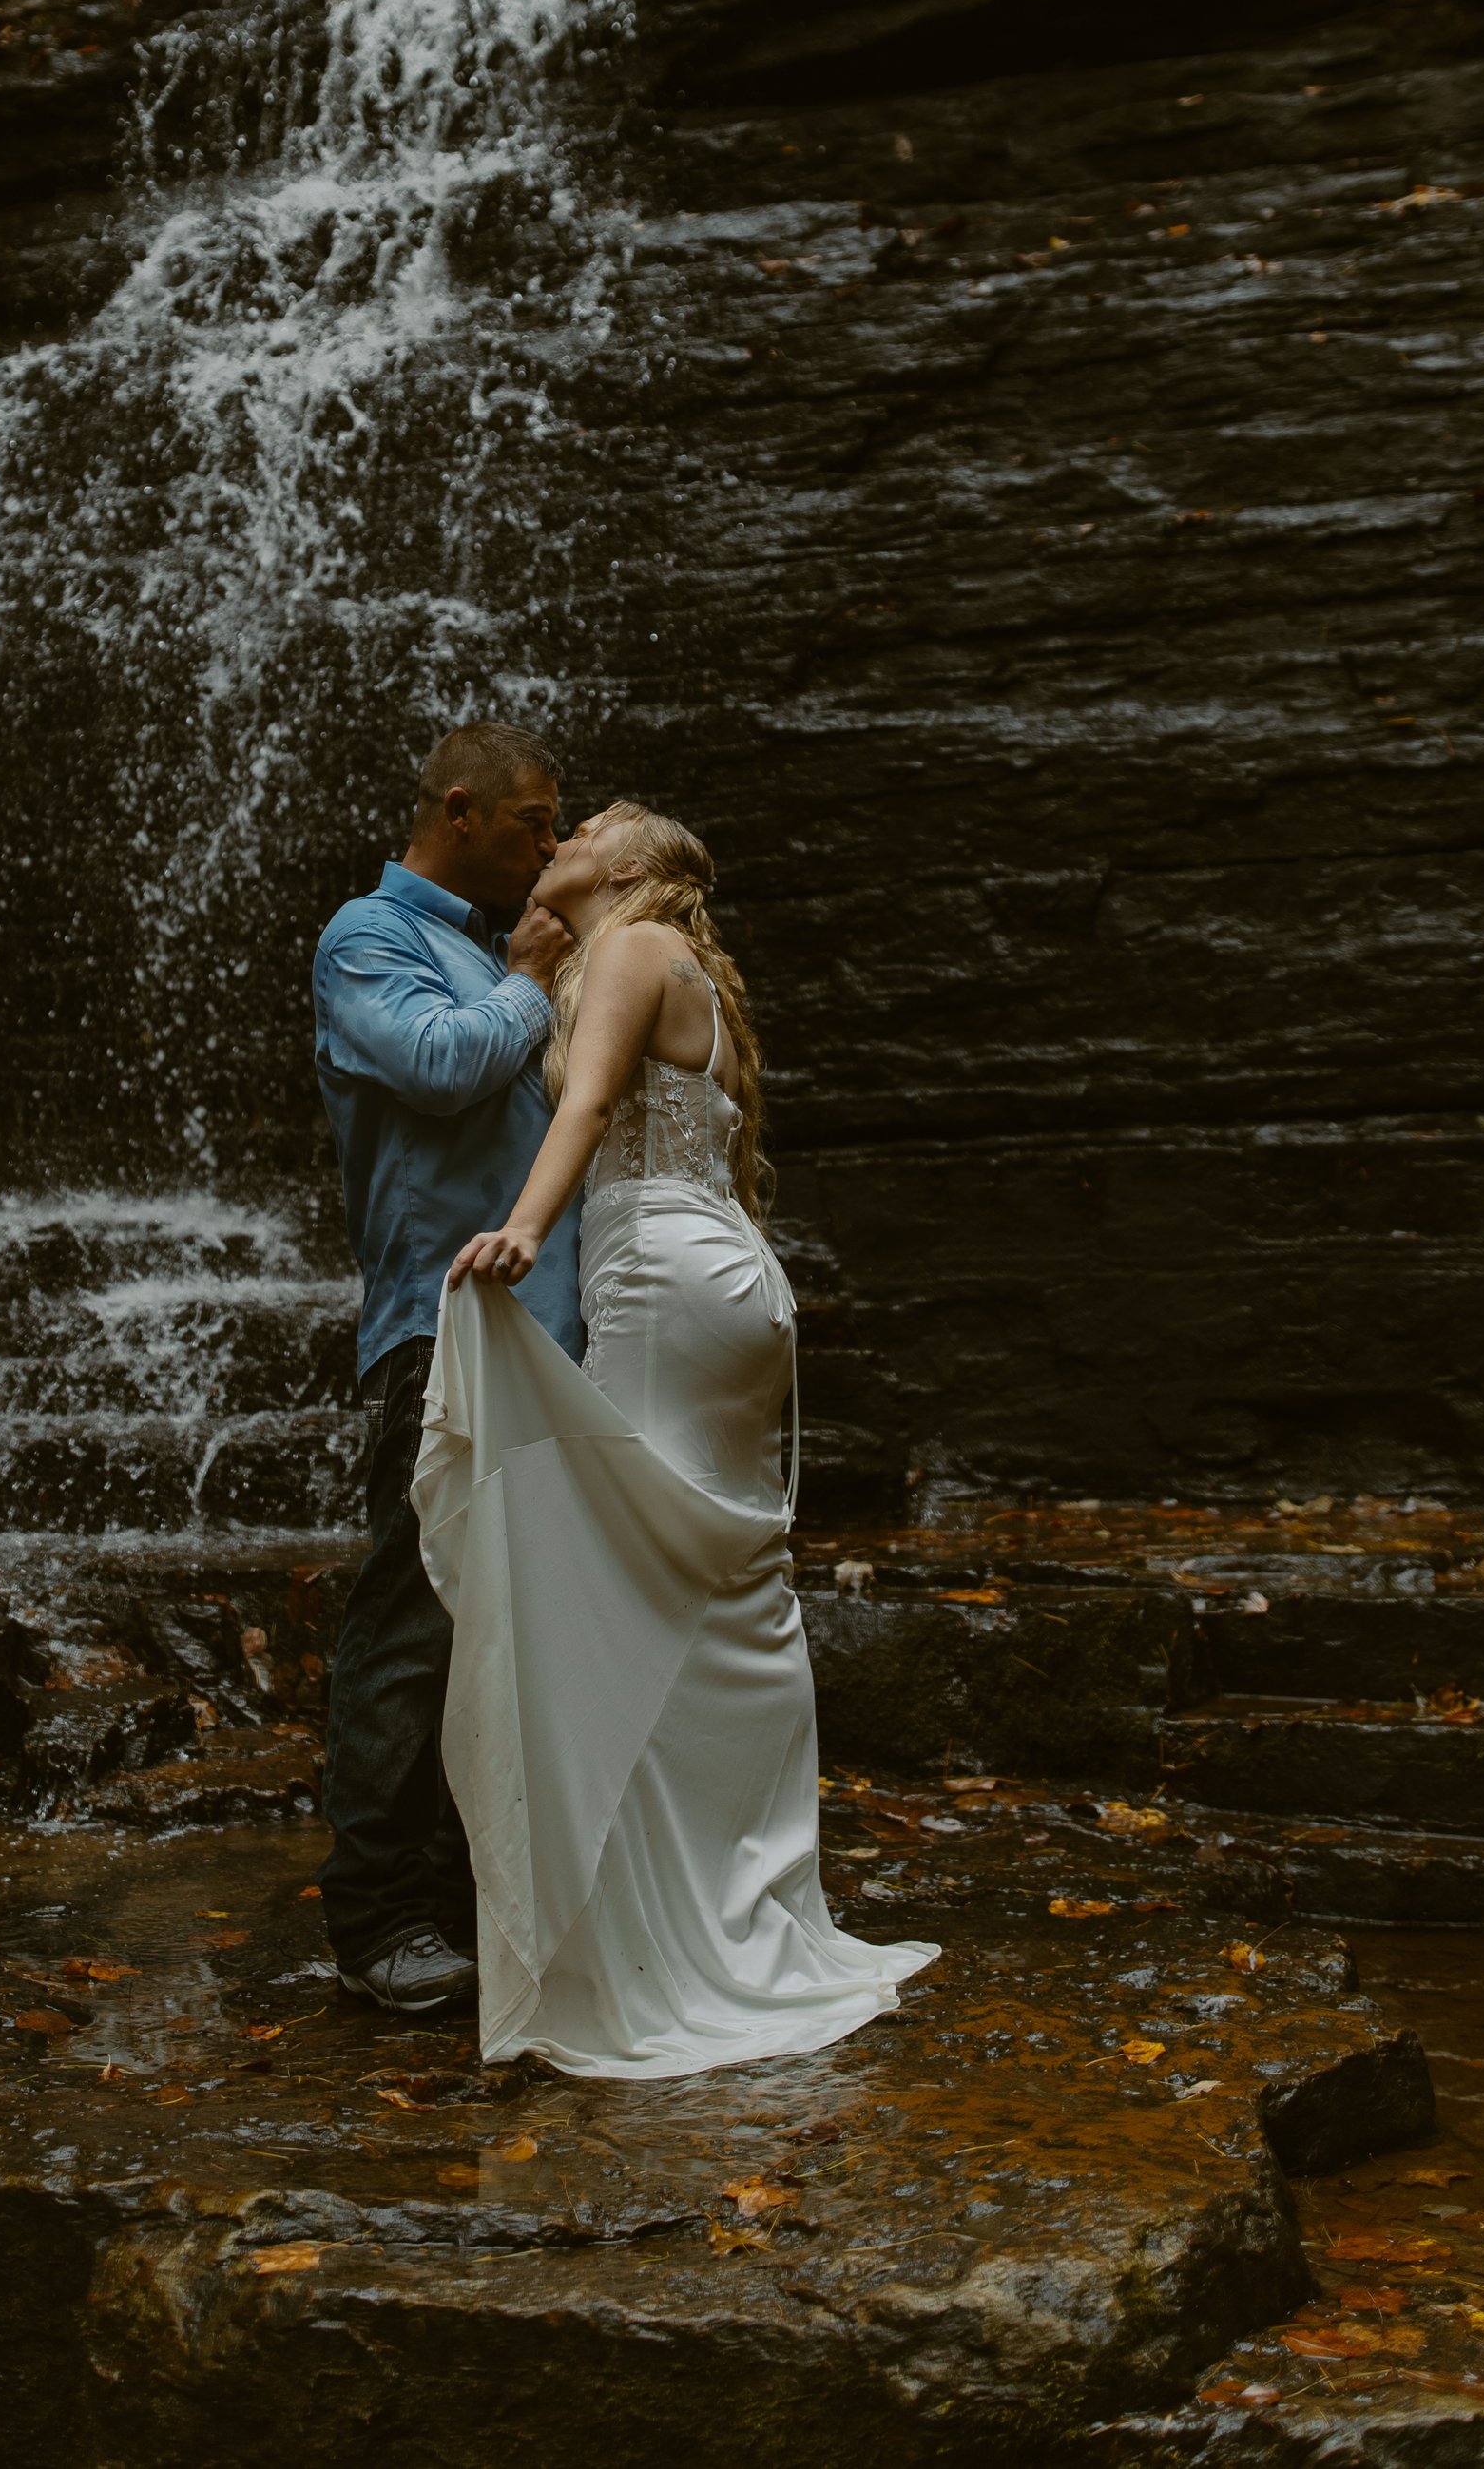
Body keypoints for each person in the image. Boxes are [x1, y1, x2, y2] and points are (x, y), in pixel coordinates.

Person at [417, 800, 938, 2078]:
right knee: (718, 1581)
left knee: (637, 1574)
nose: (571, 826)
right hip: (718, 1280)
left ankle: (676, 1932)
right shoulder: (649, 957)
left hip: (656, 1273)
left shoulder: (642, 946)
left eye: (595, 822)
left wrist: (527, 1230)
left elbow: (586, 1107)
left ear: (638, 867)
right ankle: (743, 1902)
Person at [312, 722, 583, 2016]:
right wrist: (529, 978)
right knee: (411, 1622)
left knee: (504, 1628)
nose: (550, 847)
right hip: (436, 1330)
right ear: (461, 810)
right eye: (536, 822)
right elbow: (435, 1067)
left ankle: (469, 1899)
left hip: (525, 1340)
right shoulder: (368, 937)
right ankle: (373, 1920)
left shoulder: (480, 951)